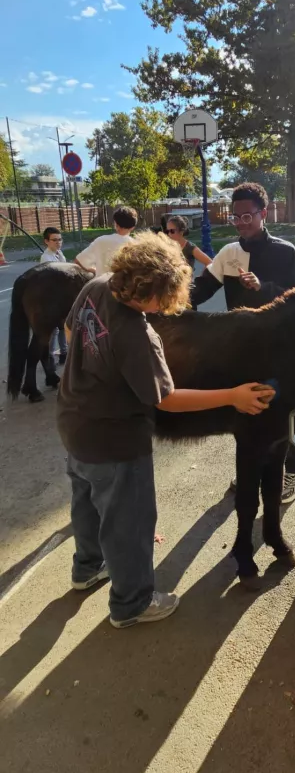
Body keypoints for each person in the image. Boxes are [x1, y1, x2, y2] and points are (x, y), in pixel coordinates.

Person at [57, 231, 274, 629]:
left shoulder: (97, 285)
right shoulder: (138, 334)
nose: (167, 306)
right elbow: (166, 399)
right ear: (154, 291)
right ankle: (132, 603)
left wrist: (98, 367)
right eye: (167, 297)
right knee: (129, 522)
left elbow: (72, 333)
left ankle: (86, 568)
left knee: (86, 503)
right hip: (116, 441)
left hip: (74, 421)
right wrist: (232, 395)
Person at [191, 182, 295, 504]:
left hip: (282, 347)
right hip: (243, 350)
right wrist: (169, 302)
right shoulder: (229, 254)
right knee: (247, 410)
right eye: (236, 217)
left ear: (264, 214)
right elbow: (200, 289)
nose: (241, 222)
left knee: (286, 412)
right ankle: (250, 469)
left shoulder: (285, 252)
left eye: (247, 216)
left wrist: (264, 287)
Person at [74, 205, 137, 276]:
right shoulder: (136, 246)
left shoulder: (101, 240)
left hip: (101, 284)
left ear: (115, 223)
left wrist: (95, 271)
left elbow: (79, 260)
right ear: (132, 227)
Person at [40, 226, 68, 365]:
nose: (58, 242)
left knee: (63, 326)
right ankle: (50, 356)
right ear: (47, 241)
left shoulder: (59, 253)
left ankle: (64, 352)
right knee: (54, 330)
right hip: (52, 299)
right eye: (54, 240)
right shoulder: (46, 258)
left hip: (62, 297)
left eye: (60, 239)